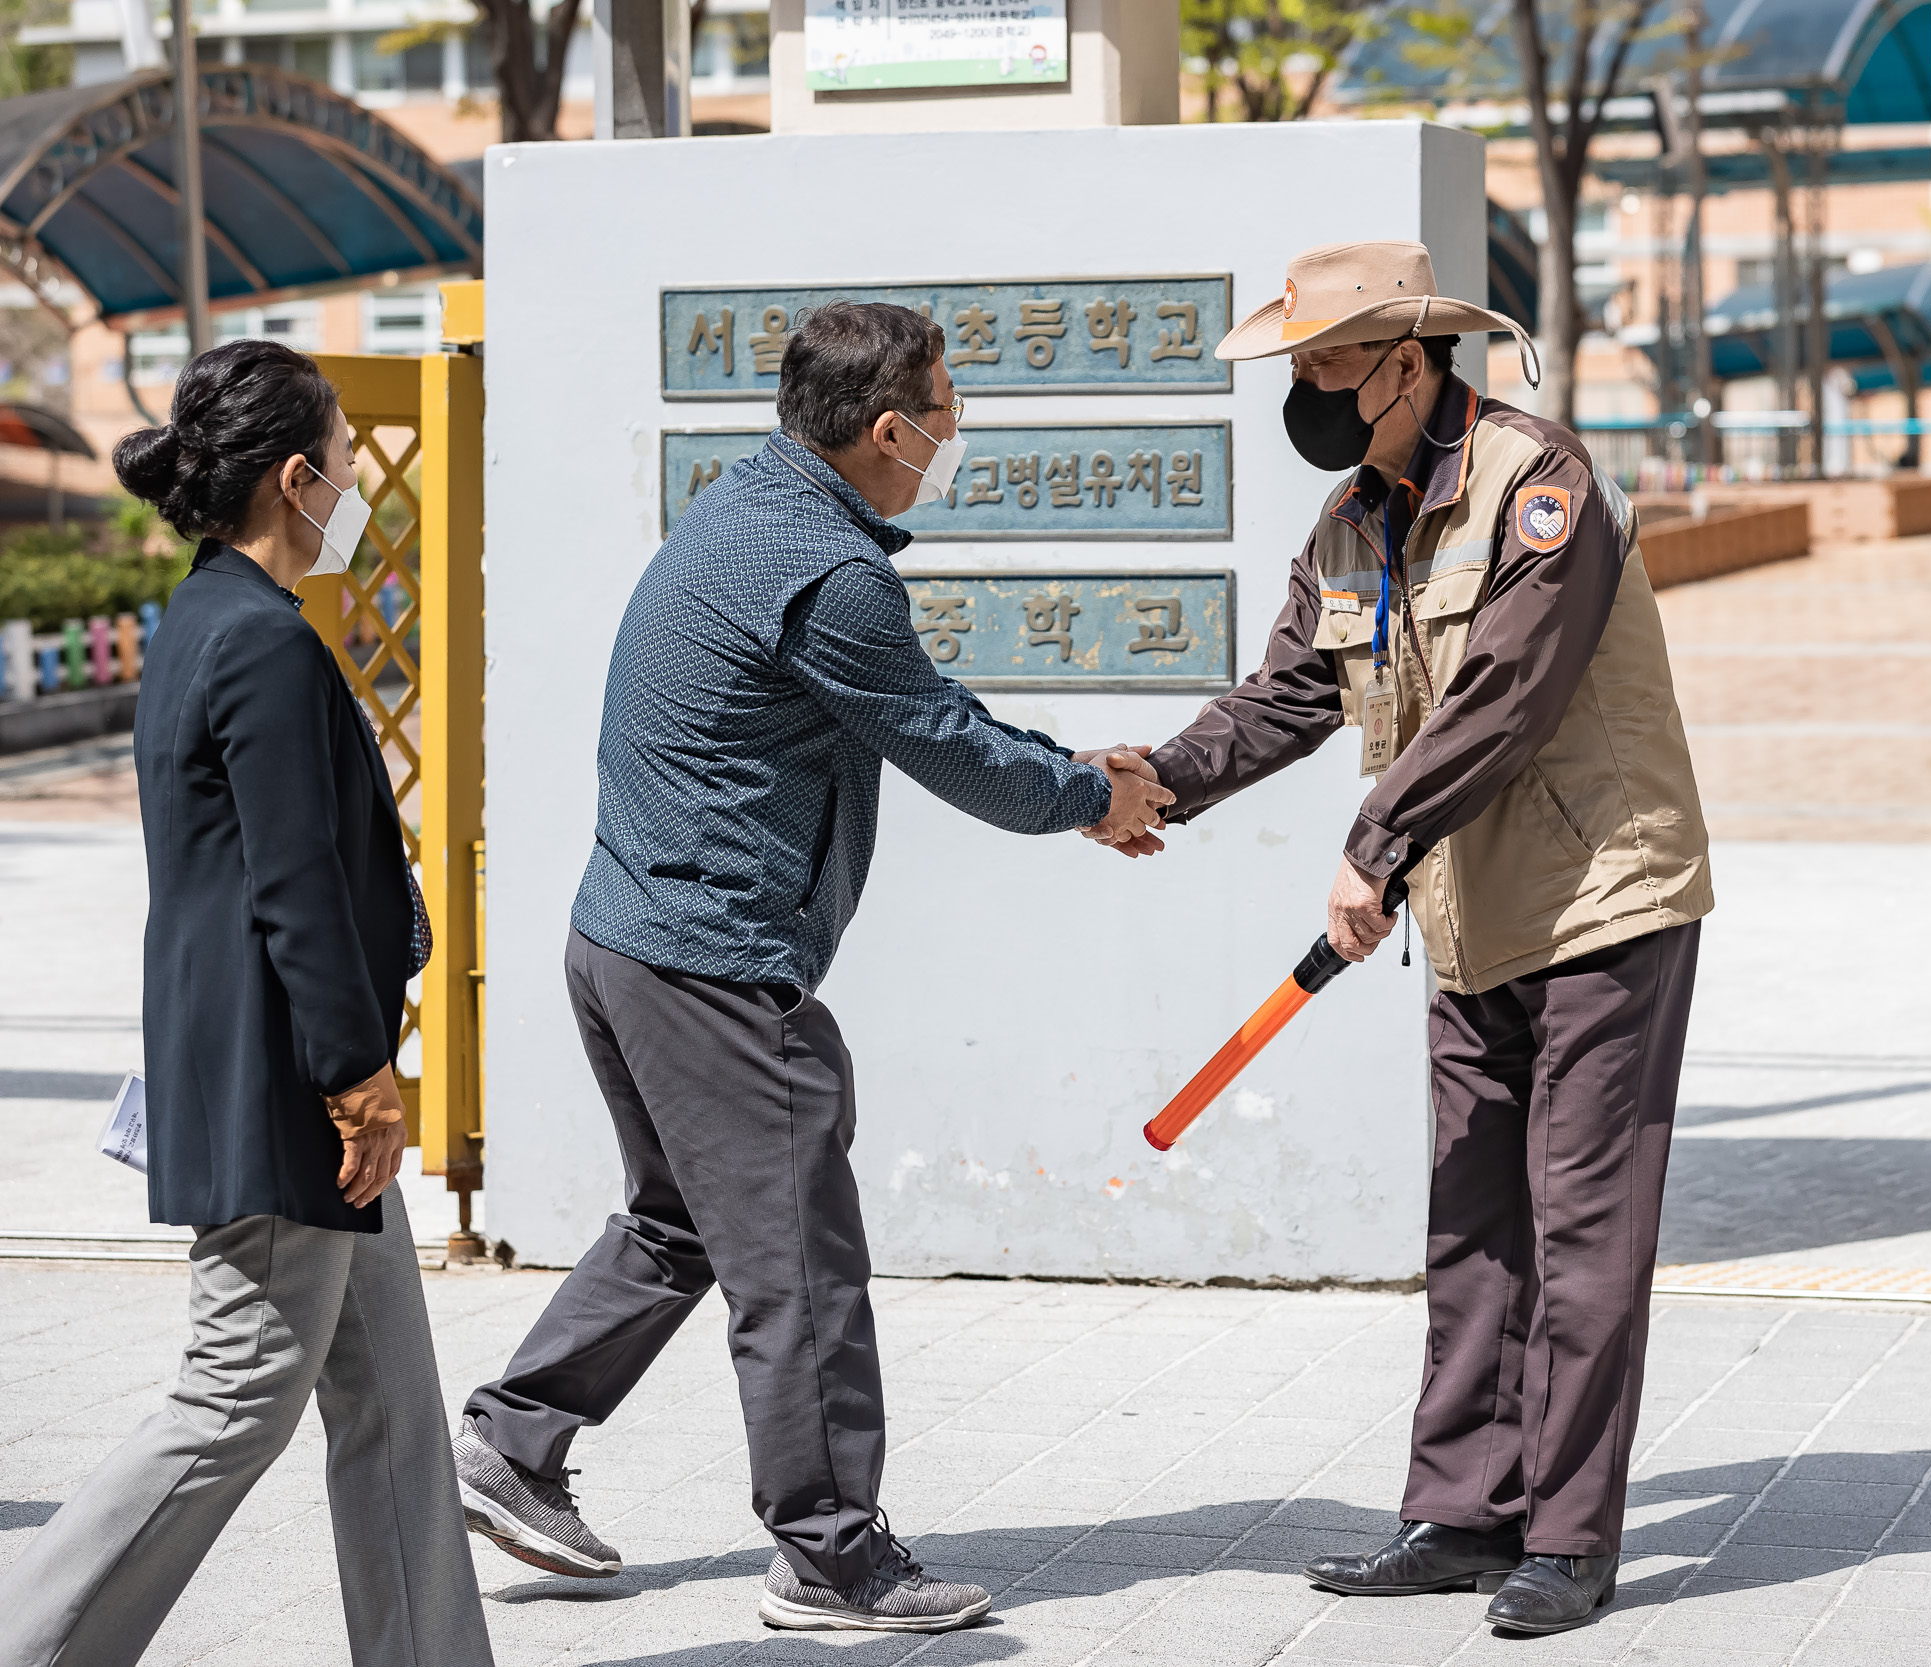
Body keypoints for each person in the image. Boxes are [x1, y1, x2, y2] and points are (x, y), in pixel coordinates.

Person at [452, 301, 1169, 1633]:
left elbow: (923, 708)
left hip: (622, 940)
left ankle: (517, 1433)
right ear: (890, 429)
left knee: (680, 1218)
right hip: (713, 967)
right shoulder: (830, 573)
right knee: (798, 1261)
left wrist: (1078, 776)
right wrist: (1094, 797)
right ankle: (832, 1551)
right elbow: (946, 745)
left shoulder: (752, 511)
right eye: (947, 412)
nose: (957, 434)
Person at [1123, 241, 1712, 1634]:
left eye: (1326, 363)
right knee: (1475, 1223)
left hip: (1599, 901)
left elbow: (1506, 693)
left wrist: (1374, 840)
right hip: (1462, 913)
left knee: (1581, 1227)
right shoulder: (1350, 521)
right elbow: (1281, 697)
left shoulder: (1537, 482)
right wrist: (1150, 781)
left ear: (1406, 359)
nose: (1307, 389)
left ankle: (1568, 1538)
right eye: (1299, 365)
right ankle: (1460, 1510)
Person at [0, 341, 494, 1667]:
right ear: (296, 476)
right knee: (233, 1399)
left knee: (388, 1398)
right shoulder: (263, 642)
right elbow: (295, 883)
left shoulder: (207, 618)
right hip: (290, 1088)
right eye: (342, 465)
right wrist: (359, 1077)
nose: (354, 489)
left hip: (284, 1075)